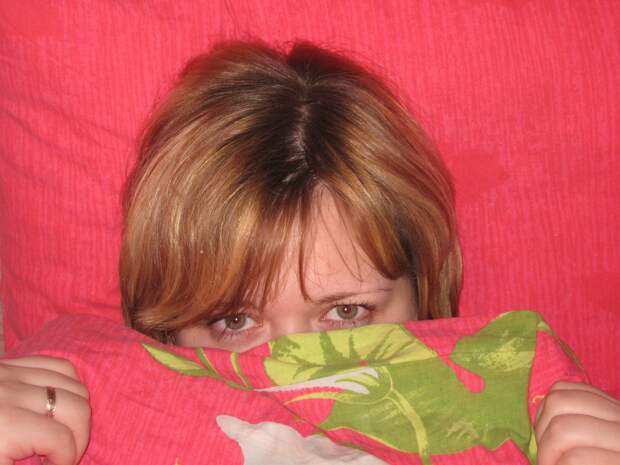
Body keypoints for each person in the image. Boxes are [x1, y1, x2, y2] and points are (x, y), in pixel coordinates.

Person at [0, 41, 618, 465]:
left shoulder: (543, 426)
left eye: (346, 313)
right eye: (234, 320)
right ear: (162, 332)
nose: (296, 369)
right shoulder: (76, 419)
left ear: (425, 297)